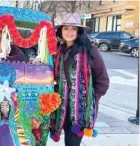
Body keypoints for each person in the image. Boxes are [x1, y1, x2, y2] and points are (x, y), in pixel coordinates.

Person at [49, 13, 110, 146]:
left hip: (81, 110)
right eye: (66, 28)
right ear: (61, 31)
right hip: (61, 107)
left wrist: (92, 98)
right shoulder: (58, 51)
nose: (69, 32)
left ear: (79, 31)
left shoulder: (90, 51)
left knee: (72, 143)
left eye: (74, 28)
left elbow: (103, 80)